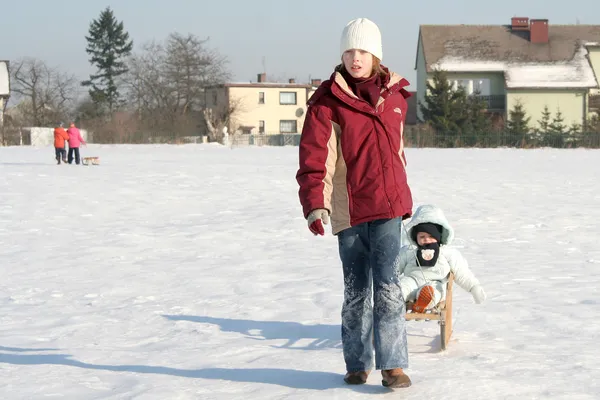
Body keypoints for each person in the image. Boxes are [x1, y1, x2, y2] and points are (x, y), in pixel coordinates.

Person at [296, 18, 413, 388]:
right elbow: (316, 157)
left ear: (375, 54)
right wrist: (317, 203)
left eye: (362, 51)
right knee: (357, 291)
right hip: (349, 209)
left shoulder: (394, 96)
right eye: (349, 51)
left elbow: (397, 150)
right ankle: (357, 362)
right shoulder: (327, 102)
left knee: (390, 287)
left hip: (388, 208)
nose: (355, 58)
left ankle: (392, 365)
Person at [397, 204, 487, 313]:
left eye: (431, 236)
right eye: (422, 237)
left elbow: (462, 272)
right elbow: (394, 268)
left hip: (435, 283)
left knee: (433, 293)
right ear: (415, 236)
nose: (426, 240)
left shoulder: (447, 253)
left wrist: (474, 287)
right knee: (402, 287)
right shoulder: (409, 251)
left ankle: (422, 302)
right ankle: (396, 299)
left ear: (439, 236)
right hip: (412, 280)